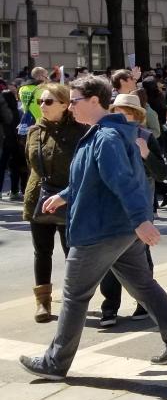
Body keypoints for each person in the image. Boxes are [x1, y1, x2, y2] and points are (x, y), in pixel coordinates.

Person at [18, 76, 167, 381]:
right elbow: (92, 178)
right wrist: (64, 195)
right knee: (143, 285)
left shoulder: (106, 137)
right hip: (117, 229)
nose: (70, 106)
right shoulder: (104, 133)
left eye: (75, 100)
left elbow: (123, 182)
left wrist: (141, 220)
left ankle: (55, 363)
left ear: (94, 101)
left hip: (101, 230)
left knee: (74, 295)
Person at [98, 94, 167, 327]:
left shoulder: (145, 136)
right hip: (111, 207)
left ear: (137, 116)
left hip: (140, 207)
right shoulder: (105, 137)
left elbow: (161, 173)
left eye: (126, 112)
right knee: (109, 258)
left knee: (141, 256)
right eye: (117, 111)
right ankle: (109, 307)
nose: (121, 116)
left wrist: (146, 154)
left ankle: (144, 304)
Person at [22, 83, 86, 323]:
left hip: (69, 198)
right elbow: (30, 164)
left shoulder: (80, 130)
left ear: (64, 104)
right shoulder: (34, 132)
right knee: (42, 251)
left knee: (72, 252)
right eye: (40, 102)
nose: (42, 106)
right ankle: (43, 303)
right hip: (39, 197)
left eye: (48, 102)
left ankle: (74, 301)